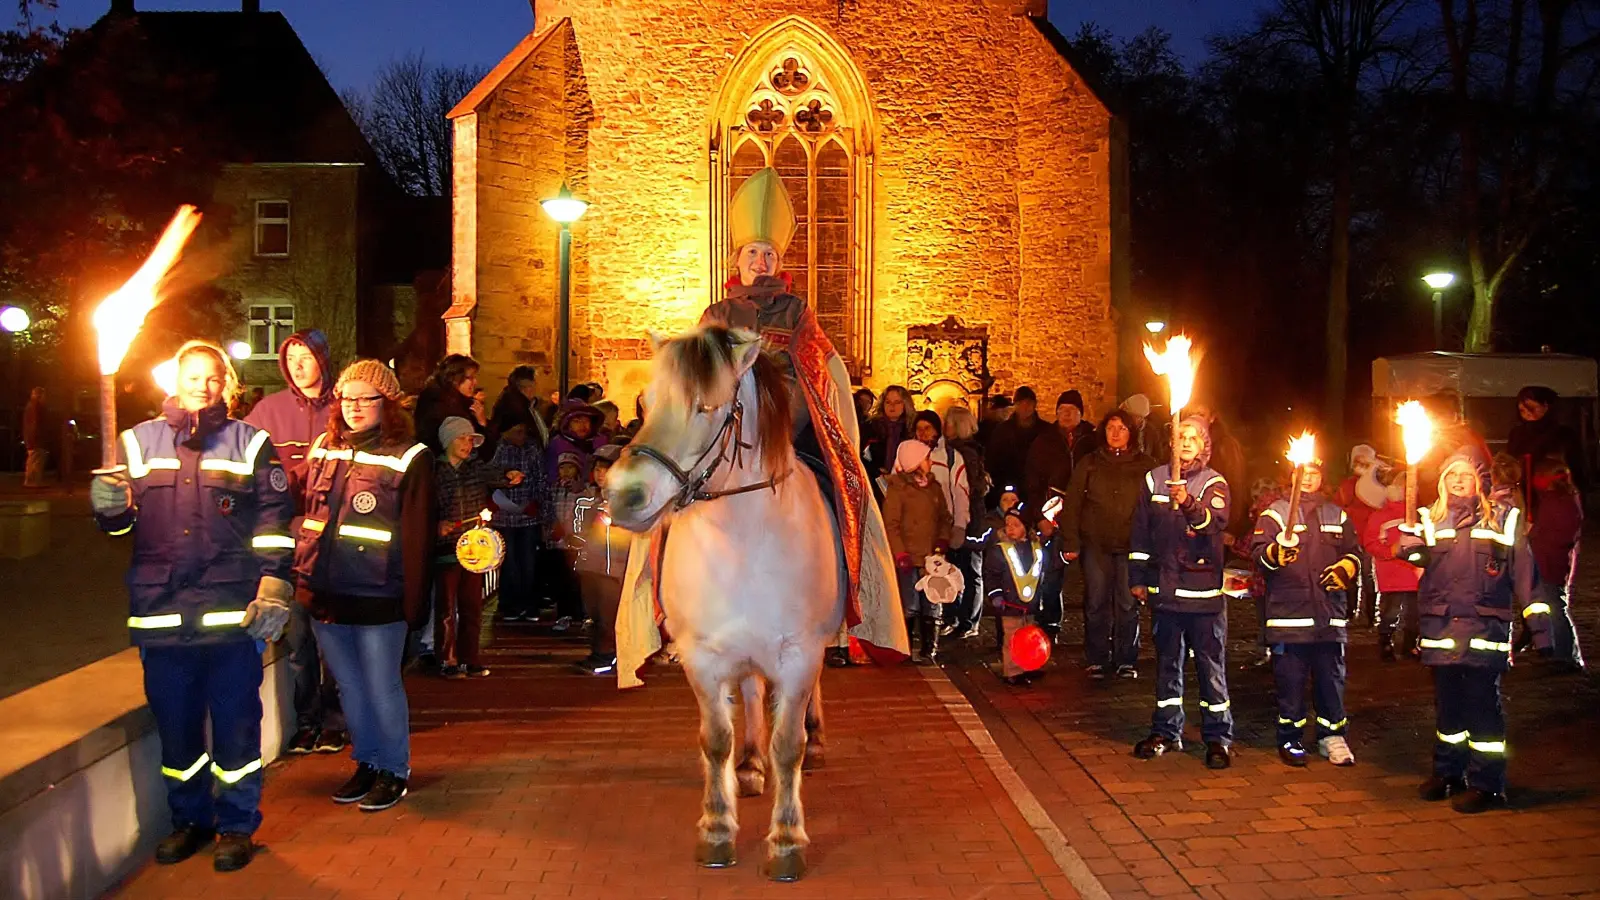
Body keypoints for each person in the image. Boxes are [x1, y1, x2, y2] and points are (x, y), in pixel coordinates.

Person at [616, 163, 906, 685]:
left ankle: (839, 599)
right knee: (678, 492)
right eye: (753, 252)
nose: (762, 259)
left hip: (790, 427)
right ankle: (670, 609)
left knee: (842, 490)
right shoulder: (718, 311)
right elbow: (699, 373)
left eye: (769, 253)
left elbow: (818, 370)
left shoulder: (798, 311)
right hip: (726, 430)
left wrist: (790, 408)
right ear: (738, 260)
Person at [89, 340, 295, 872]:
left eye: (213, 378)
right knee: (177, 732)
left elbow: (273, 520)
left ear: (226, 385)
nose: (203, 386)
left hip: (230, 618)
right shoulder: (136, 442)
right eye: (193, 376)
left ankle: (236, 825)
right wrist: (110, 510)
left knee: (236, 729)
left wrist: (274, 582)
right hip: (162, 616)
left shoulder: (250, 442)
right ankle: (190, 821)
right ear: (172, 382)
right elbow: (122, 525)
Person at [292, 359, 435, 813]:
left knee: (381, 685)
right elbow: (294, 499)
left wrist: (415, 606)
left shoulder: (411, 456)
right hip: (325, 593)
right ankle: (367, 761)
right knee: (349, 688)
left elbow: (417, 537)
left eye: (365, 399)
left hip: (379, 596)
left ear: (387, 404)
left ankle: (394, 769)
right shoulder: (324, 448)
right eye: (346, 398)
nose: (353, 407)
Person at [1398, 453, 1550, 813]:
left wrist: (1540, 629)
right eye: (1452, 475)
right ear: (1442, 481)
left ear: (1479, 480)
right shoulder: (1428, 519)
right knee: (1448, 709)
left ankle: (1488, 784)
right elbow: (1415, 558)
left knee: (1483, 709)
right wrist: (1408, 546)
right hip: (1442, 630)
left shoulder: (1503, 518)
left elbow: (1526, 575)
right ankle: (1448, 773)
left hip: (1484, 630)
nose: (1459, 481)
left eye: (1466, 475)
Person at [244, 329, 345, 754]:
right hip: (290, 543)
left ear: (323, 358)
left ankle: (337, 719)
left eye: (306, 356)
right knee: (299, 638)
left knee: (336, 640)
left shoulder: (344, 407)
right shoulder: (268, 411)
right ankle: (308, 721)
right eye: (292, 358)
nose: (299, 365)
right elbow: (244, 466)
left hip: (337, 545)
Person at [1130, 416, 1234, 769]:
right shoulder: (1153, 479)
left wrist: (1188, 501)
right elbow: (1141, 533)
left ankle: (1218, 737)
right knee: (1167, 665)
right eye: (1180, 436)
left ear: (1204, 444)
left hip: (1203, 595)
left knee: (1210, 668)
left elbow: (1213, 523)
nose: (1186, 442)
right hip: (1167, 592)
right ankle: (1165, 731)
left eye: (1194, 437)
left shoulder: (1213, 482)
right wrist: (1138, 576)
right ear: (1171, 443)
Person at [1249, 453, 1360, 768]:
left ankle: (1332, 735)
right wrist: (1275, 554)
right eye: (1302, 472)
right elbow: (1260, 554)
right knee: (1291, 680)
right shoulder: (1276, 514)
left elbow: (1353, 552)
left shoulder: (1335, 514)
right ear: (1291, 476)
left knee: (1331, 678)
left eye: (1313, 472)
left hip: (1328, 615)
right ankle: (1290, 735)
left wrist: (1344, 569)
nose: (1308, 478)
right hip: (1289, 615)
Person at [1061, 409, 1157, 679]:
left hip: (1132, 545)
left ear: (1131, 432)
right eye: (1111, 427)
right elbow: (1073, 503)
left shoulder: (1145, 466)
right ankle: (1097, 657)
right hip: (1097, 544)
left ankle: (1126, 658)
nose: (1115, 433)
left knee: (1127, 603)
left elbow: (1154, 507)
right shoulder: (1090, 463)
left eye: (1121, 428)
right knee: (1096, 601)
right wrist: (1072, 539)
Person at [434, 416, 522, 678]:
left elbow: (494, 474)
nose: (468, 444)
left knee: (472, 605)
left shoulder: (474, 467)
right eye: (462, 438)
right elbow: (425, 505)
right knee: (446, 609)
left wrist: (509, 475)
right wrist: (437, 524)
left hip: (473, 546)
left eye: (471, 439)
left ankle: (470, 657)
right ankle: (447, 659)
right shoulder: (433, 471)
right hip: (446, 548)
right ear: (448, 440)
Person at [884, 440, 953, 665]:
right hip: (908, 558)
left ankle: (928, 649)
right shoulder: (899, 490)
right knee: (909, 603)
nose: (930, 461)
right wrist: (900, 553)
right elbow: (891, 524)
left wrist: (942, 541)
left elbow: (944, 517)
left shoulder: (934, 488)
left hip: (932, 558)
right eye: (926, 457)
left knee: (933, 600)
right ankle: (904, 646)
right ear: (915, 462)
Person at [986, 505, 1062, 685]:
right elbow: (991, 575)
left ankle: (1029, 666)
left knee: (1029, 638)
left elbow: (1045, 570)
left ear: (1026, 529)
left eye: (1016, 525)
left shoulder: (1036, 549)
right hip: (1009, 603)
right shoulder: (1000, 550)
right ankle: (1012, 671)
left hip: (1030, 605)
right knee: (1012, 639)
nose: (1010, 528)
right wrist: (996, 595)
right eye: (1008, 524)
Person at [915, 410, 972, 634]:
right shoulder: (907, 453)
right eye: (919, 428)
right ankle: (922, 621)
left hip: (942, 526)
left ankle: (946, 618)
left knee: (941, 573)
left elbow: (960, 492)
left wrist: (960, 524)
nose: (922, 433)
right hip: (916, 528)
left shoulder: (950, 456)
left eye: (927, 428)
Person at [573, 443, 629, 675]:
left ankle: (608, 655)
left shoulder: (628, 500)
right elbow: (576, 527)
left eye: (606, 469)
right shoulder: (588, 498)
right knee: (594, 612)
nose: (600, 474)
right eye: (597, 469)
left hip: (613, 568)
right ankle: (598, 651)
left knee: (609, 614)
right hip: (590, 565)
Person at [489, 405, 547, 623]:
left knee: (529, 561)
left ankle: (529, 603)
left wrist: (539, 505)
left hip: (528, 516)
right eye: (516, 432)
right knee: (509, 561)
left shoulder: (532, 450)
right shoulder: (498, 450)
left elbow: (540, 479)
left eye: (523, 431)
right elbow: (490, 475)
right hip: (504, 516)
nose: (521, 436)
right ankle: (510, 603)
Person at [1526, 457, 1584, 671]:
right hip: (1548, 559)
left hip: (1552, 561)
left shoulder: (1560, 502)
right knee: (1551, 607)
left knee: (1556, 608)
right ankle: (1558, 651)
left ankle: (1565, 655)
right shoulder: (1559, 499)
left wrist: (1534, 535)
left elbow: (1560, 533)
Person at [1359, 464, 1421, 661]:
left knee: (1415, 613)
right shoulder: (1380, 516)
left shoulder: (1419, 515)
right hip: (1391, 574)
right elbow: (1371, 543)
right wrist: (1390, 551)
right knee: (1390, 611)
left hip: (1415, 574)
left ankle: (1410, 644)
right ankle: (1386, 642)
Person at [943, 406, 990, 640]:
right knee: (954, 568)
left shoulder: (966, 454)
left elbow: (974, 488)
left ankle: (969, 620)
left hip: (971, 520)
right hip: (960, 518)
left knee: (971, 571)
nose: (945, 428)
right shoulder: (949, 451)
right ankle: (955, 616)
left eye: (949, 423)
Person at [1507, 385, 1588, 507]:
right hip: (1523, 497)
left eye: (1532, 408)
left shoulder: (1564, 434)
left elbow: (1577, 468)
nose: (1528, 414)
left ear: (1546, 406)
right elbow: (1510, 463)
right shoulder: (1517, 434)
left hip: (1556, 496)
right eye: (1522, 410)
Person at [1023, 389, 1097, 517]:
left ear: (1081, 413)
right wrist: (1040, 517)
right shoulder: (1043, 441)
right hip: (1052, 510)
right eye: (1062, 409)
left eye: (1072, 409)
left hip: (1086, 513)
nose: (1067, 414)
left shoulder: (1093, 441)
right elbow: (1033, 482)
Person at [1334, 444, 1380, 625]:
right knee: (1351, 575)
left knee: (1370, 577)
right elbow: (1339, 506)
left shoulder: (1377, 485)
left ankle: (1370, 614)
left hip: (1370, 538)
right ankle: (1350, 611)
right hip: (1352, 536)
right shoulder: (1347, 485)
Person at [985, 386, 1046, 508]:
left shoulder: (1045, 431)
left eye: (1028, 403)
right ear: (1016, 405)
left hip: (1037, 490)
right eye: (1021, 403)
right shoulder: (1002, 431)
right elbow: (993, 461)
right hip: (1009, 489)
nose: (1025, 407)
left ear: (1034, 405)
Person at [546, 451, 587, 630]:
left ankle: (581, 614)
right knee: (561, 580)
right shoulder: (553, 489)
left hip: (575, 542)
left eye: (570, 467)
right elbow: (548, 512)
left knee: (577, 580)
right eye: (562, 467)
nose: (566, 471)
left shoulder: (582, 490)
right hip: (557, 543)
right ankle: (564, 614)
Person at [413, 354, 483, 454]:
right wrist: (482, 423)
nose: (475, 382)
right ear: (455, 379)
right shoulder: (444, 406)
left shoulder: (460, 402)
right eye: (470, 378)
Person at [863, 385, 916, 494]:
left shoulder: (912, 429)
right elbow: (860, 456)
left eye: (897, 402)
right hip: (874, 486)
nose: (892, 406)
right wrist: (877, 472)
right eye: (888, 402)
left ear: (905, 404)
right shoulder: (871, 427)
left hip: (906, 488)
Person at [546, 400, 603, 484]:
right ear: (567, 423)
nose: (582, 425)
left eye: (586, 421)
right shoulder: (557, 443)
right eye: (576, 421)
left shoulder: (599, 442)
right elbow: (551, 474)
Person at [23, 386, 49, 487]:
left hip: (32, 438)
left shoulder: (31, 406)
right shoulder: (36, 407)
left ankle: (31, 481)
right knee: (36, 460)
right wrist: (38, 437)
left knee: (33, 460)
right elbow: (35, 423)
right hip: (36, 439)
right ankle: (32, 482)